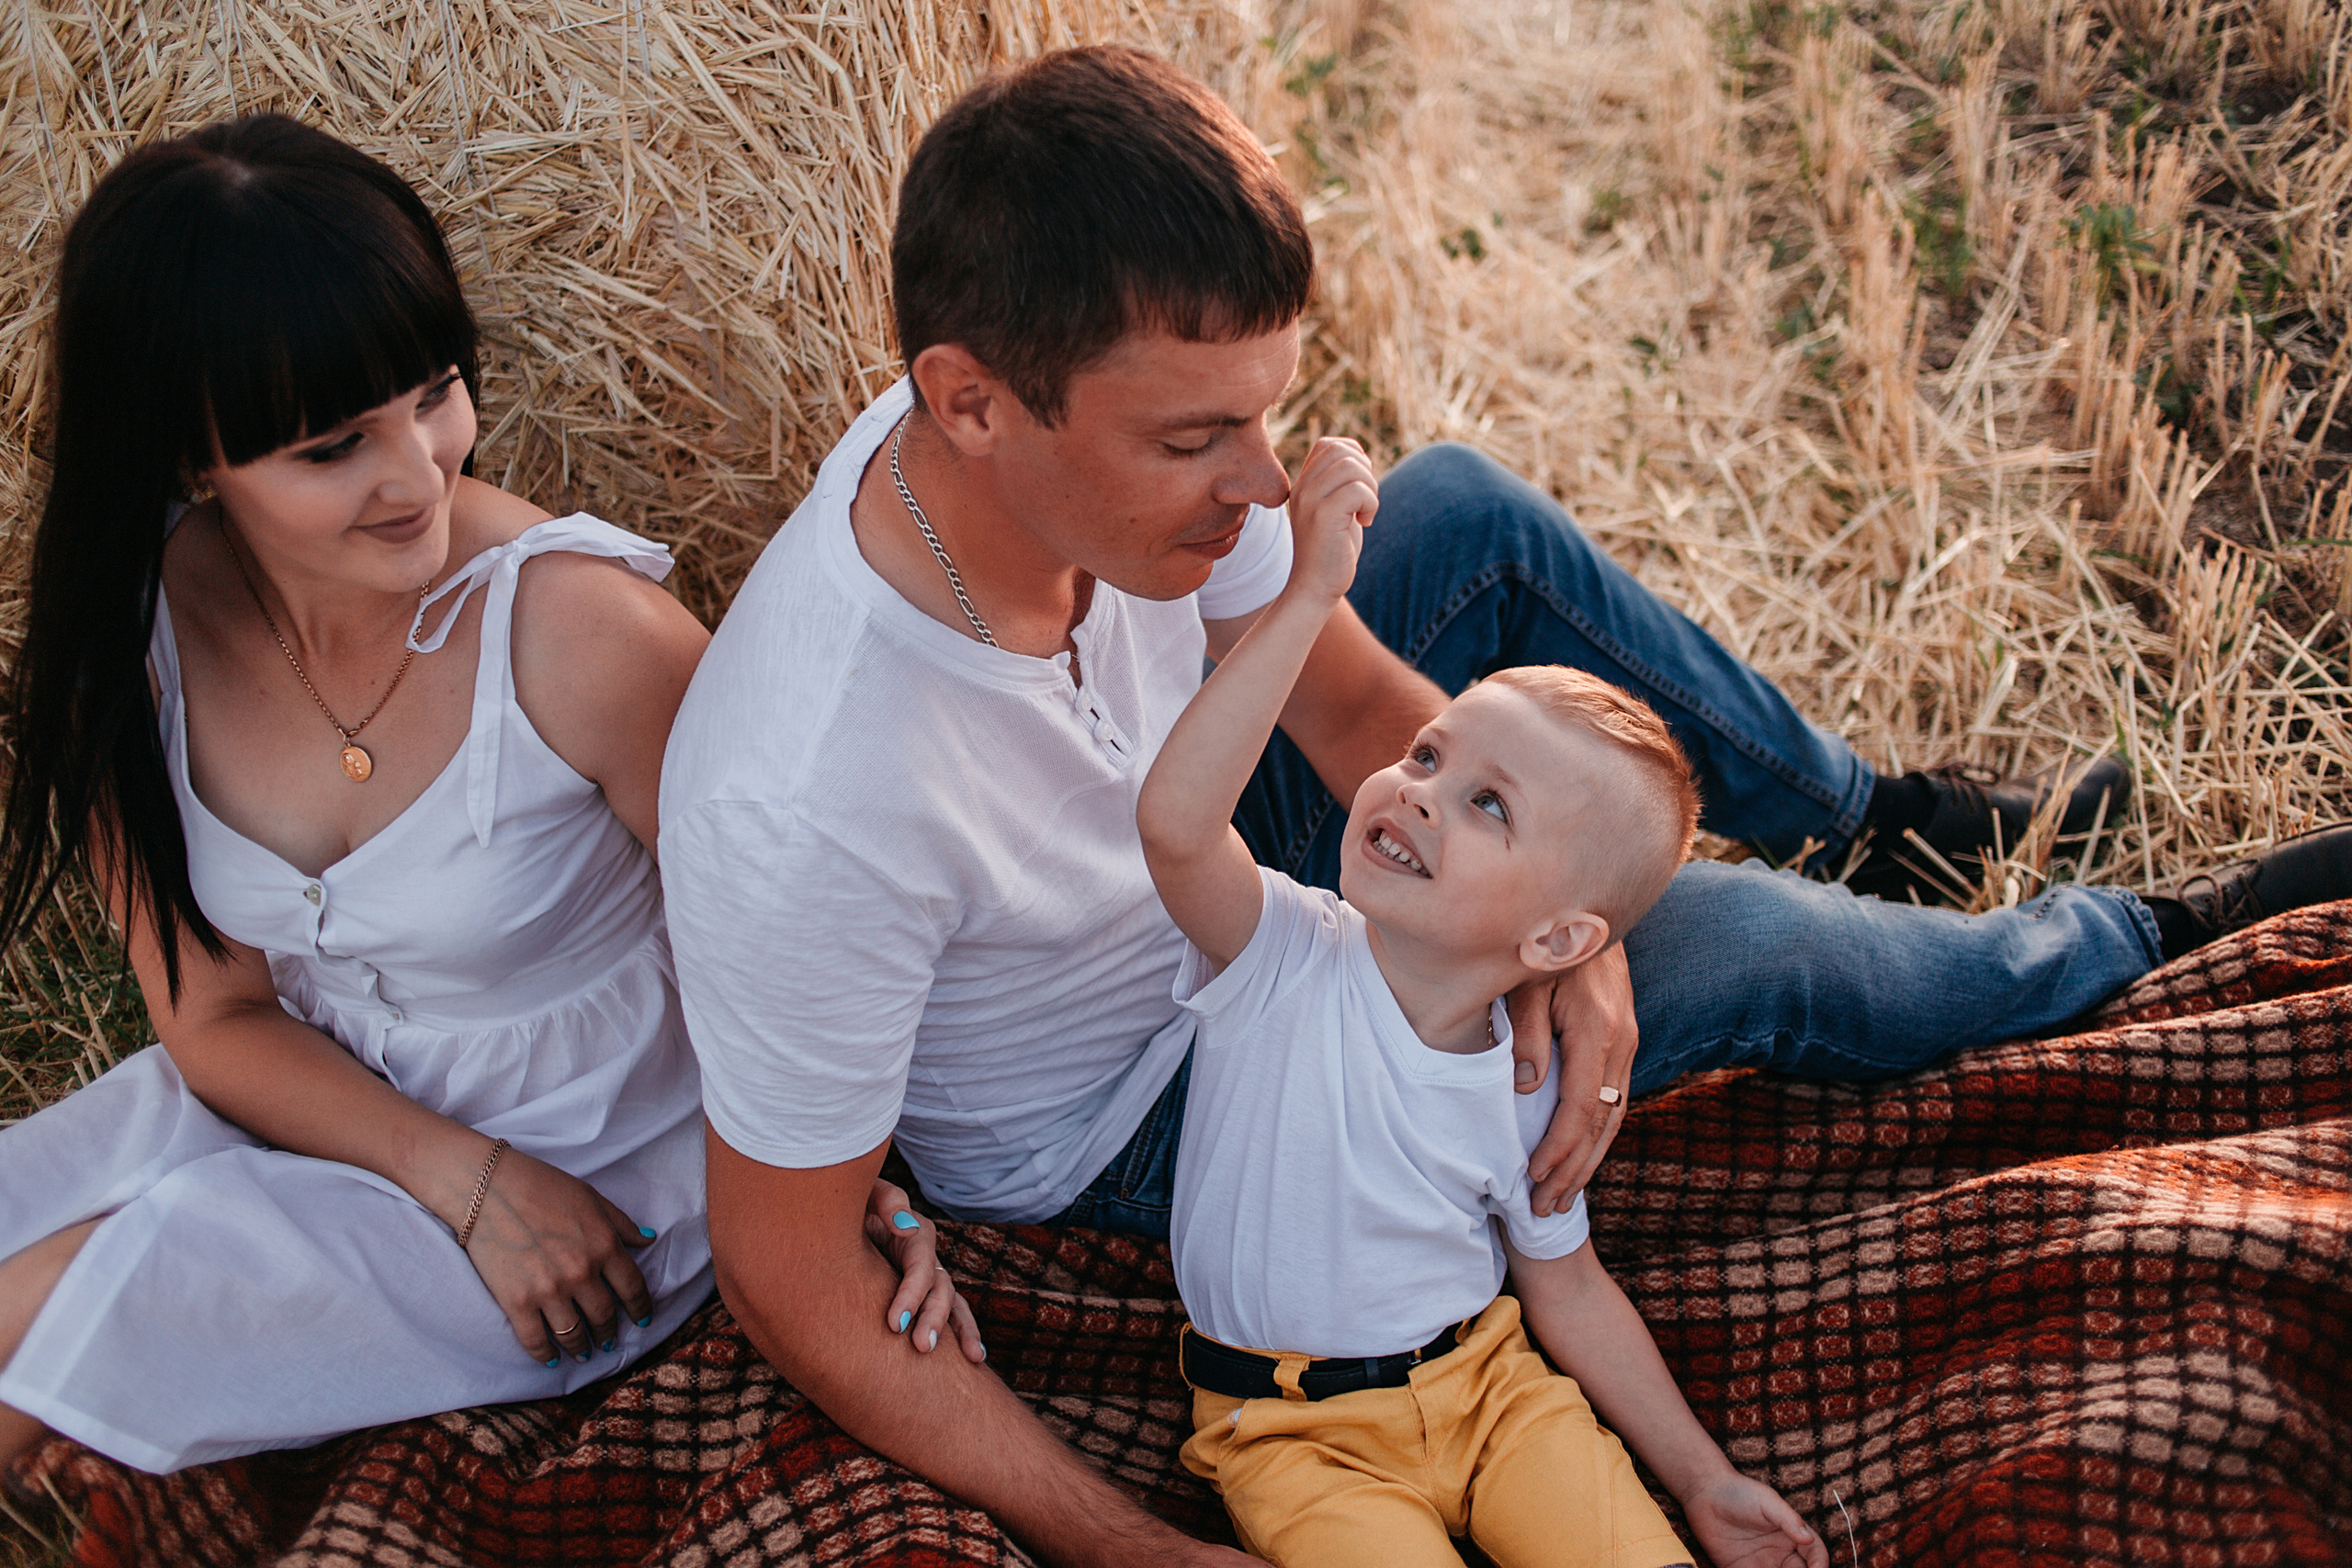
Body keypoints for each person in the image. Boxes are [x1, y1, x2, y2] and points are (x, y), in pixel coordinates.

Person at [659, 45, 2352, 1567]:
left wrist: (1574, 929)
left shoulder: (1123, 472)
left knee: (1463, 515)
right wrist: (1127, 1548)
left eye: (1269, 411)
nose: (1262, 477)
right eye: (1202, 439)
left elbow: (1342, 705)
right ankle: (2150, 930)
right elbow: (791, 1276)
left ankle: (1865, 807)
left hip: (1200, 846)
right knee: (1740, 939)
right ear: (964, 398)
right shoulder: (811, 794)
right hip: (1142, 1085)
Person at [0, 116, 971, 1479]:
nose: (422, 472)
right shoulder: (141, 636)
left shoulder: (581, 635)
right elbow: (214, 1014)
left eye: (435, 389)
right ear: (187, 459)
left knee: (64, 1322)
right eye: (334, 445)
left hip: (612, 1160)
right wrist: (459, 1177)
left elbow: (813, 935)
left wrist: (841, 1181)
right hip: (343, 1102)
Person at [1138, 432, 1825, 1568]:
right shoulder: (1280, 956)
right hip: (1296, 1434)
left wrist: (1704, 1479)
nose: (1416, 797)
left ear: (1558, 939)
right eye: (1422, 755)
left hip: (1493, 1393)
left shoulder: (1532, 1074)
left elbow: (1568, 1289)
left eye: (1486, 806)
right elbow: (1175, 826)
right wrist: (1305, 596)